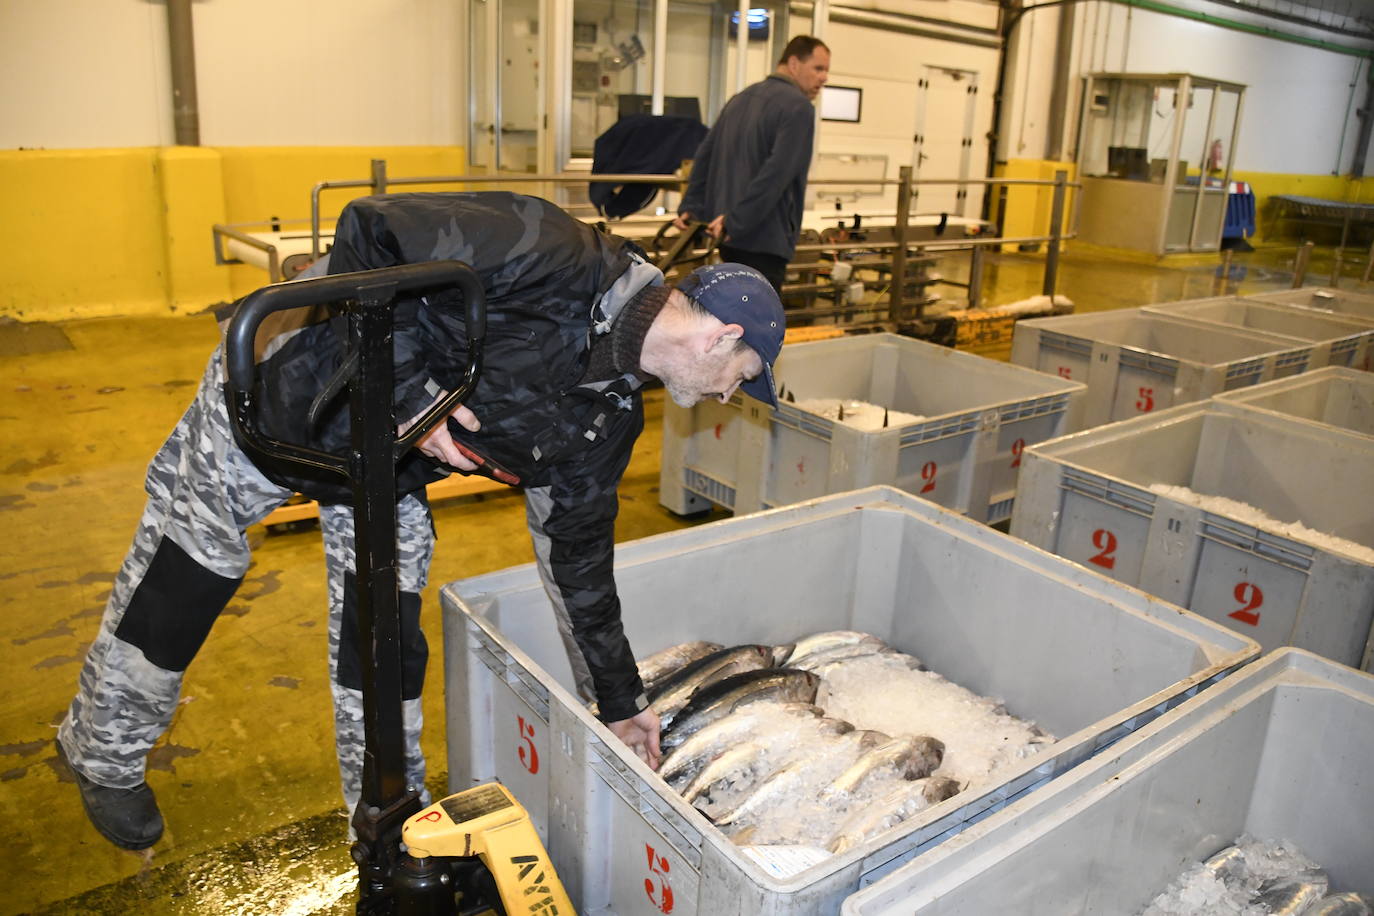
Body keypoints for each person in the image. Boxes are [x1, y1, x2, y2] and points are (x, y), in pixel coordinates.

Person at [55, 191, 785, 851]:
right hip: (286, 399)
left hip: (387, 471)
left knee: (386, 640)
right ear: (722, 337)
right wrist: (408, 393)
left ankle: (387, 821)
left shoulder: (609, 415)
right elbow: (370, 231)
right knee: (189, 573)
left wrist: (620, 703)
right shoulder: (554, 252)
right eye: (745, 376)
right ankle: (102, 751)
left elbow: (579, 562)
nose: (729, 396)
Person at [673, 35, 831, 294]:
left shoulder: (740, 99)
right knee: (760, 328)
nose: (824, 78)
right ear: (793, 64)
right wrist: (737, 221)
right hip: (763, 239)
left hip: (727, 238)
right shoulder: (799, 108)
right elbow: (777, 174)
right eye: (818, 68)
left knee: (731, 320)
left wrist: (692, 207)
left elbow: (704, 155)